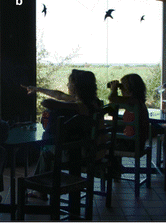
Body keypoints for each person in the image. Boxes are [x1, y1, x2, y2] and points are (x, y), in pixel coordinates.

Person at [21, 69, 104, 200]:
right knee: (49, 149)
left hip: (81, 153)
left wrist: (60, 105)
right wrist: (36, 89)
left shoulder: (81, 105)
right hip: (88, 148)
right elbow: (58, 95)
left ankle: (39, 188)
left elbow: (49, 103)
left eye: (70, 83)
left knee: (48, 151)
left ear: (77, 87)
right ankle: (39, 188)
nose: (67, 86)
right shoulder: (93, 101)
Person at [107, 74, 150, 153]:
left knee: (104, 143)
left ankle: (111, 164)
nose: (121, 89)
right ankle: (115, 164)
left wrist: (113, 89)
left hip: (131, 143)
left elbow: (112, 98)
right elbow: (113, 106)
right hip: (135, 142)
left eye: (123, 87)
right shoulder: (138, 101)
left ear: (131, 88)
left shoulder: (133, 101)